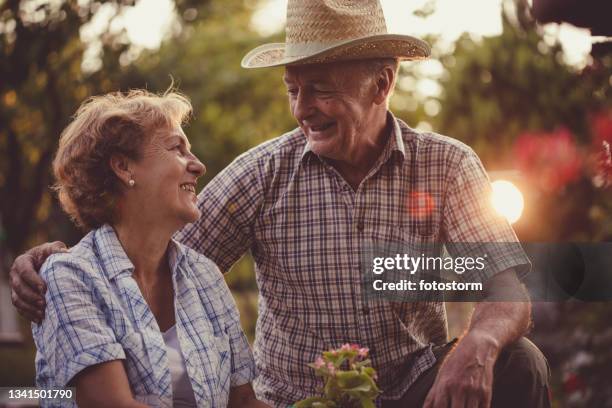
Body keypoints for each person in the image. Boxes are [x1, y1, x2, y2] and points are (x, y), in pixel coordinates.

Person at [10, 1, 550, 407]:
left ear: (381, 84)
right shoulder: (262, 174)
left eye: (319, 90)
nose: (301, 109)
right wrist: (62, 260)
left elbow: (506, 286)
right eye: (293, 89)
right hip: (296, 400)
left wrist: (477, 342)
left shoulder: (447, 165)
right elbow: (151, 252)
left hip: (409, 389)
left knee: (519, 362)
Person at [26, 90, 268, 408]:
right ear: (124, 167)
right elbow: (112, 405)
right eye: (177, 149)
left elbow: (243, 401)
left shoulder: (205, 275)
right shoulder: (70, 277)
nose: (198, 166)